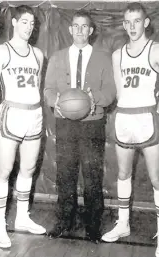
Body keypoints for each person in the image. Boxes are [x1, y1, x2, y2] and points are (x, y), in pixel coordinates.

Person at [44, 10, 116, 243]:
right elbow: (48, 90)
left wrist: (93, 100)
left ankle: (93, 225)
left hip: (92, 124)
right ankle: (64, 221)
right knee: (65, 175)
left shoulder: (104, 57)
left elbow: (111, 92)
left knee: (92, 176)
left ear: (91, 30)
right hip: (65, 123)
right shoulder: (57, 57)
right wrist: (57, 102)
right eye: (76, 26)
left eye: (84, 26)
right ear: (70, 29)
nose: (79, 31)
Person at [101, 2, 159, 257]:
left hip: (147, 116)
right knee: (123, 175)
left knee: (157, 179)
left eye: (137, 21)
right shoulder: (117, 55)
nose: (133, 26)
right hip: (124, 117)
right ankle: (123, 223)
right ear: (123, 25)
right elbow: (119, 91)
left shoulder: (155, 50)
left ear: (146, 22)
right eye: (128, 22)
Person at [0, 5, 46, 249]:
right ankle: (1, 226)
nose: (29, 27)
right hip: (11, 114)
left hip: (34, 114)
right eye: (24, 22)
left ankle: (22, 218)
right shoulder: (0, 52)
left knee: (29, 168)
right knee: (3, 171)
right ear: (13, 22)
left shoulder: (39, 55)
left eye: (32, 23)